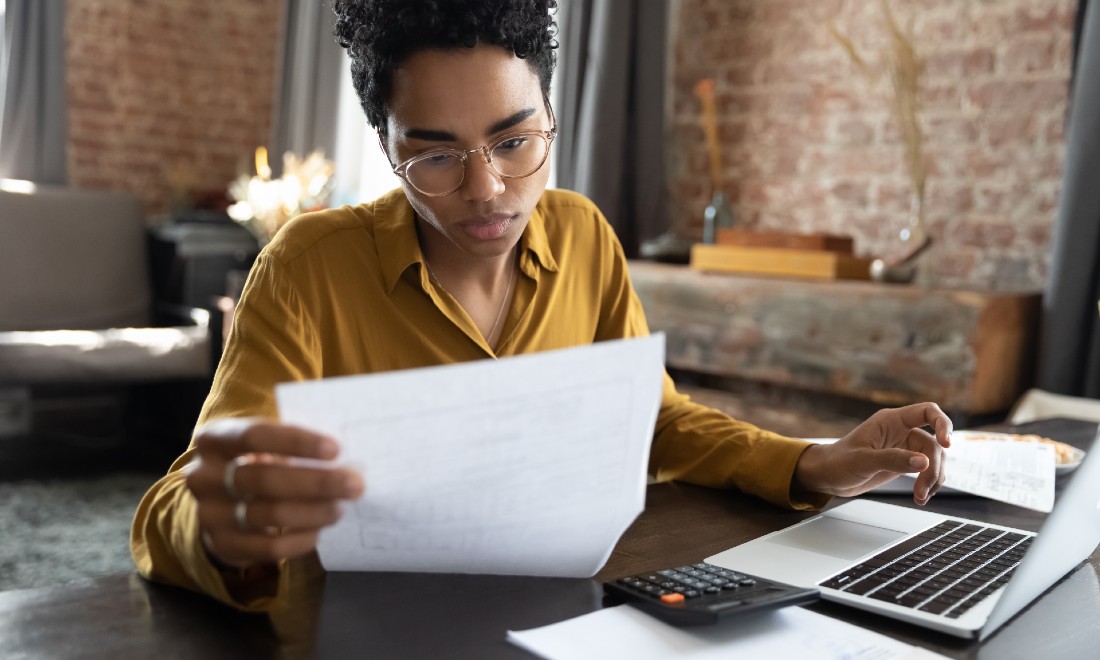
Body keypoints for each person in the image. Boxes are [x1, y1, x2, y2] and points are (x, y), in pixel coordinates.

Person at [131, 0, 952, 611]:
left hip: (569, 612)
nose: (488, 190)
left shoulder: (586, 237)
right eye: (437, 154)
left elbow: (655, 422)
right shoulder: (306, 269)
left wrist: (814, 461)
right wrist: (217, 530)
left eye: (516, 141)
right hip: (366, 625)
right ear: (386, 146)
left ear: (552, 118)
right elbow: (177, 502)